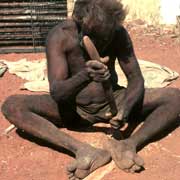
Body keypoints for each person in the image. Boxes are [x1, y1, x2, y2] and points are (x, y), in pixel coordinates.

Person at [2, 0, 180, 179]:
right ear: (78, 22)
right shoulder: (60, 36)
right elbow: (57, 92)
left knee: (175, 98)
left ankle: (129, 144)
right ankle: (83, 151)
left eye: (106, 38)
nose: (101, 44)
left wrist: (126, 108)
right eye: (95, 37)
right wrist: (85, 75)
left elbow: (136, 79)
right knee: (13, 105)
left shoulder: (118, 33)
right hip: (72, 109)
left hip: (114, 102)